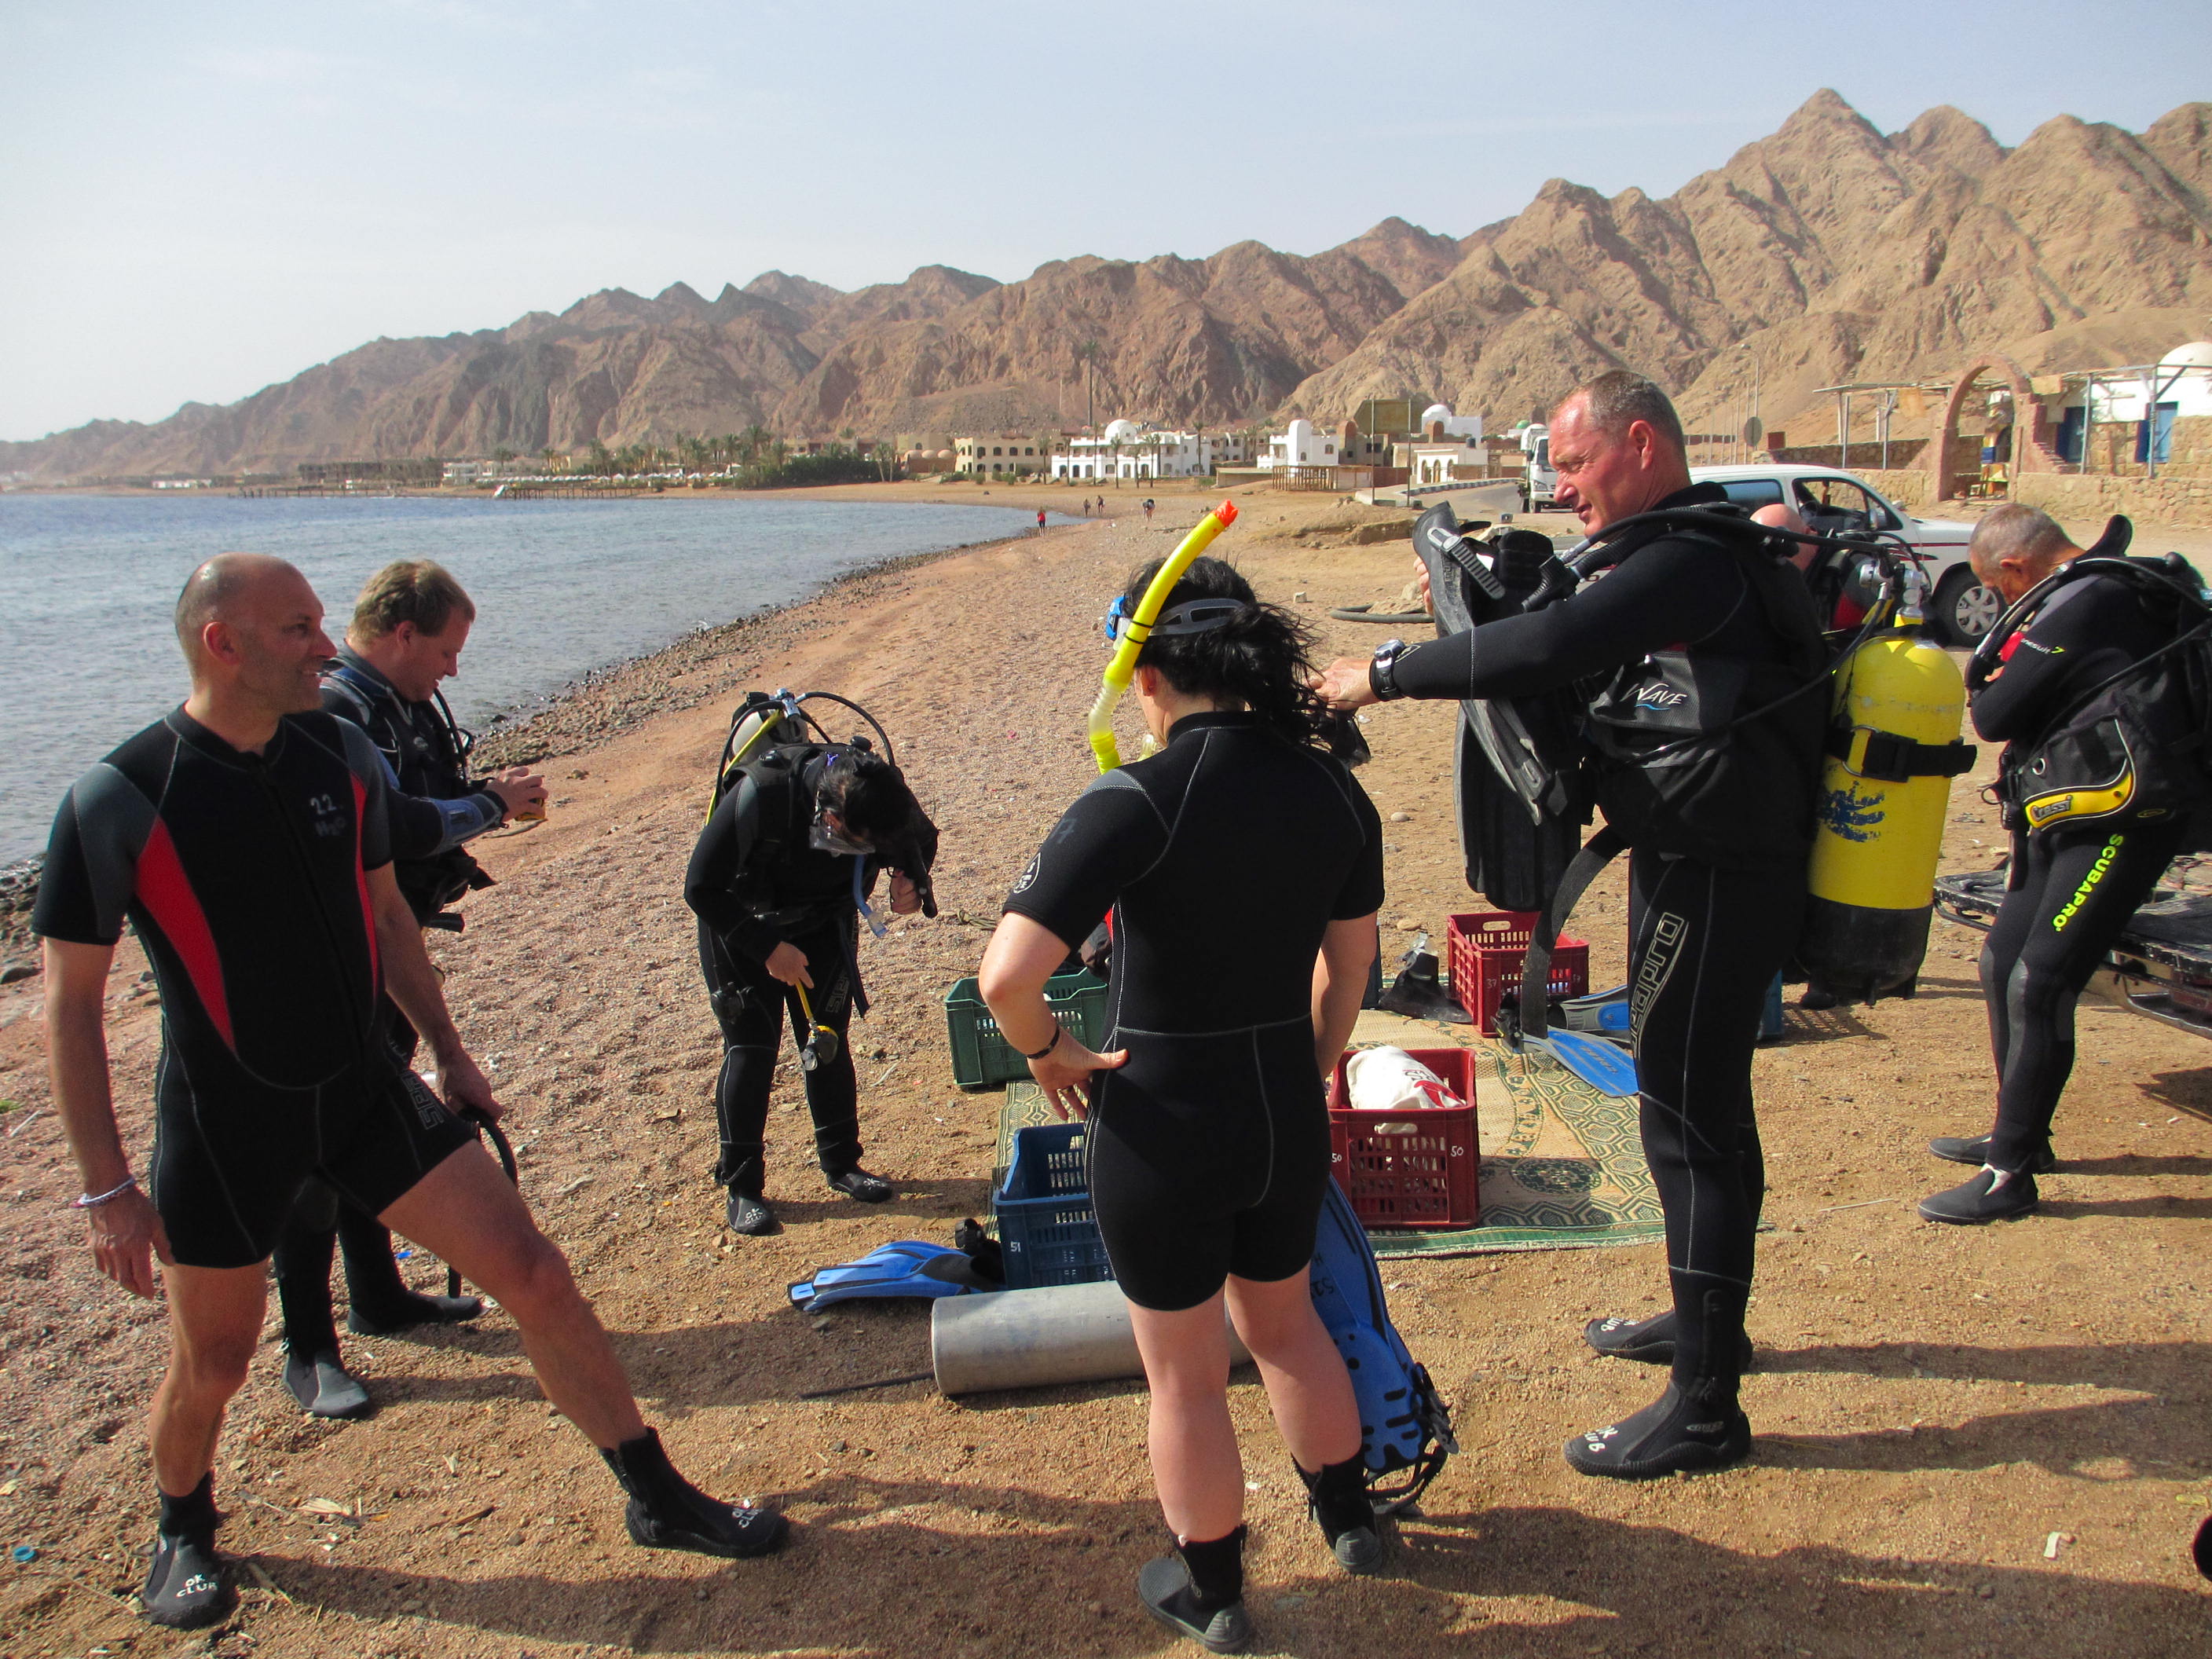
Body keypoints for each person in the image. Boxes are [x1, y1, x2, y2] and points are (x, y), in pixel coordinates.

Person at [37, 555, 786, 1632]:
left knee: (536, 1273)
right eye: (298, 629)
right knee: (215, 1360)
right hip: (224, 1117)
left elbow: (388, 918)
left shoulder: (337, 754)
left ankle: (655, 1493)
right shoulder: (119, 799)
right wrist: (106, 1188)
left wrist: (447, 1051)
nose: (326, 646)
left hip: (364, 1086)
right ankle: (184, 1528)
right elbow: (68, 1011)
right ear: (223, 643)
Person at [1317, 371, 1828, 1480]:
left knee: (1691, 1124)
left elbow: (1554, 650)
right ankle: (1709, 1334)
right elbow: (1547, 620)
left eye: (1575, 462)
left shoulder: (1695, 561)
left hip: (1722, 875)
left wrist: (1382, 674)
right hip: (1686, 858)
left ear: (1639, 444)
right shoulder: (1674, 555)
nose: (1563, 485)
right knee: (1689, 1111)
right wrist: (1458, 590)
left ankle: (1705, 1409)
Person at [980, 555, 1383, 1652]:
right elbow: (1351, 970)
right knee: (1290, 1328)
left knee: (1186, 1373)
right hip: (1279, 1109)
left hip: (1159, 1117)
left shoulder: (1135, 801)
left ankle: (1213, 1594)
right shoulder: (1334, 791)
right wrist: (1309, 1065)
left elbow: (1005, 980)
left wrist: (1052, 1051)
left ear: (1147, 676)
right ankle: (1350, 1521)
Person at [269, 560, 548, 1419]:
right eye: (446, 650)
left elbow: (414, 810)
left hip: (385, 946)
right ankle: (309, 1350)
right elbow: (391, 823)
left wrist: (482, 799)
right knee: (315, 1156)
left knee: (365, 1126)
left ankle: (377, 1296)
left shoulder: (394, 707)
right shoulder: (336, 714)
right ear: (401, 634)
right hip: (316, 971)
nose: (453, 670)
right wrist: (492, 808)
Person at [1919, 506, 2199, 1222]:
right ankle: (2019, 1135)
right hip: (2071, 807)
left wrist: (1997, 676)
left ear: (2014, 569)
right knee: (1999, 963)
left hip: (2121, 819)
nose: (2005, 605)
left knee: (2040, 979)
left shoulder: (2092, 598)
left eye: (1998, 590)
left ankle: (2008, 1176)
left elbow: (1994, 713)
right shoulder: (2099, 588)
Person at [683, 730, 936, 1235]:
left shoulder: (883, 791)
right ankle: (743, 1187)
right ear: (833, 817)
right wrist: (769, 950)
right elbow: (700, 887)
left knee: (827, 1040)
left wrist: (914, 880)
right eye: (856, 843)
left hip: (824, 922)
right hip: (744, 925)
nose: (857, 854)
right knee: (752, 1050)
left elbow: (920, 839)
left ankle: (842, 1164)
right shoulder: (764, 792)